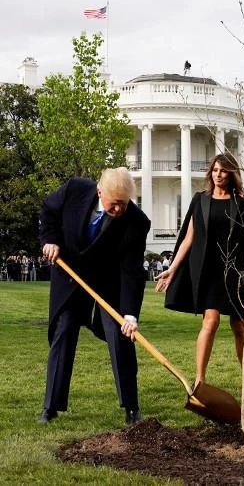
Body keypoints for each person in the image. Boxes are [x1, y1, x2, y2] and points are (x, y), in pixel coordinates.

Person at [38, 168, 150, 425]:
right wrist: (50, 240)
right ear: (100, 192)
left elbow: (131, 270)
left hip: (108, 283)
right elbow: (49, 210)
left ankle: (131, 407)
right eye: (114, 203)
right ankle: (50, 406)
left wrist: (130, 314)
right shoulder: (74, 189)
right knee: (64, 329)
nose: (119, 209)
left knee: (120, 335)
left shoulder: (137, 222)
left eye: (124, 204)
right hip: (70, 275)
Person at [154, 153, 244, 397]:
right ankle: (200, 380)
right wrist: (172, 268)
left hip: (235, 269)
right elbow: (189, 237)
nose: (218, 175)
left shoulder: (242, 202)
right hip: (209, 270)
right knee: (211, 321)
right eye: (215, 170)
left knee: (240, 327)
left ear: (231, 173)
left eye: (223, 171)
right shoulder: (201, 200)